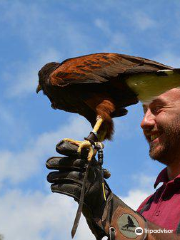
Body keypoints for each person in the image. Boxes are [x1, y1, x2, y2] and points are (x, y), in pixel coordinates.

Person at [47, 88, 180, 240]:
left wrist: (109, 209)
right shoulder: (147, 205)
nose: (144, 122)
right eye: (144, 112)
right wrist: (97, 210)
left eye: (157, 109)